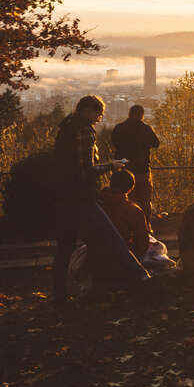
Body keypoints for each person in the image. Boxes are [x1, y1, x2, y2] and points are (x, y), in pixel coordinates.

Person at [52, 95, 149, 306]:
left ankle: (59, 293)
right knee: (111, 235)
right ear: (89, 111)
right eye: (98, 113)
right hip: (82, 194)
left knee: (66, 245)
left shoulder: (66, 127)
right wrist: (111, 166)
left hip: (66, 193)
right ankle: (140, 277)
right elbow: (86, 169)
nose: (99, 118)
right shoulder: (84, 131)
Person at [87, 169, 150, 284]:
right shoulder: (133, 210)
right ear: (131, 188)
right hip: (120, 267)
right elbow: (142, 244)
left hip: (95, 265)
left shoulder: (95, 205)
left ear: (110, 183)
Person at [111, 105, 160, 226]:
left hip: (123, 171)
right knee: (144, 200)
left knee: (123, 200)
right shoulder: (145, 129)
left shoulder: (119, 128)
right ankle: (145, 226)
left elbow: (114, 143)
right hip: (142, 170)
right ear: (141, 115)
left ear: (129, 114)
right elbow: (156, 143)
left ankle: (125, 227)